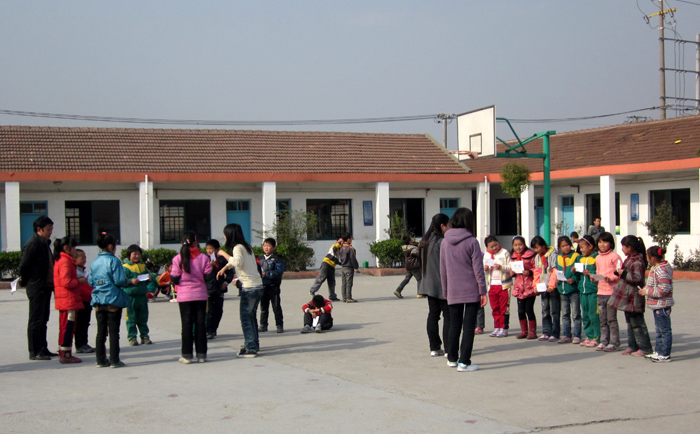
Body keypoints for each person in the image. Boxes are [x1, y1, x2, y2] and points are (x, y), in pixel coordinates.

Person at [440, 208, 487, 372]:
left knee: (454, 325)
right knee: (468, 327)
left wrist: (445, 290)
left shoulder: (445, 242)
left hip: (453, 289)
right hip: (471, 289)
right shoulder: (472, 241)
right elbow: (478, 269)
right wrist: (482, 291)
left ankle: (452, 358)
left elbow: (443, 269)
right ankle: (464, 362)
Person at [217, 223, 264, 358]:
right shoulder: (246, 246)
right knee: (251, 316)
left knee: (246, 318)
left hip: (249, 287)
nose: (224, 237)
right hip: (257, 285)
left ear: (230, 235)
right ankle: (253, 344)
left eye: (225, 234)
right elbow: (238, 262)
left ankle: (250, 348)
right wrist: (225, 268)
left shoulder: (237, 247)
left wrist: (222, 253)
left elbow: (237, 262)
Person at [89, 232, 130, 368]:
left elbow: (90, 281)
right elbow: (119, 280)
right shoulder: (114, 261)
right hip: (113, 299)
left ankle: (100, 360)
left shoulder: (95, 262)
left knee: (101, 332)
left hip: (98, 299)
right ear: (111, 246)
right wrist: (128, 281)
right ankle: (114, 359)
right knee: (113, 332)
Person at [19, 216, 57, 361]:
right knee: (36, 320)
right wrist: (28, 281)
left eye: (51, 229)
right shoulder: (33, 244)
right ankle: (35, 351)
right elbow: (24, 266)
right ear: (39, 229)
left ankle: (43, 348)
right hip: (37, 287)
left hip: (45, 287)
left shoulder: (44, 244)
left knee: (43, 319)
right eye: (48, 229)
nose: (50, 232)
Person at [609, 235, 653, 357]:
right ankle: (632, 346)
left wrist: (624, 273)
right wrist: (619, 272)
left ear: (629, 247)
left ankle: (645, 348)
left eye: (623, 246)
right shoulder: (630, 259)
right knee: (630, 323)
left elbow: (637, 278)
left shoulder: (637, 261)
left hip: (634, 297)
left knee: (638, 324)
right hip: (628, 297)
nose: (622, 249)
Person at [171, 232, 212, 364]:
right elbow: (208, 276)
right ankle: (202, 355)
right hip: (200, 295)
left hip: (184, 296)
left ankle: (187, 355)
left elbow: (174, 279)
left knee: (186, 325)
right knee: (201, 325)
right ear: (195, 242)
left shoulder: (177, 259)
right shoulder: (203, 258)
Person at [418, 213, 451, 357]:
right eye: (448, 225)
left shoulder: (424, 241)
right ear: (442, 226)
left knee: (433, 315)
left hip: (429, 284)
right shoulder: (442, 242)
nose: (449, 228)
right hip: (442, 285)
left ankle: (434, 347)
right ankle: (449, 348)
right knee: (448, 316)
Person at [52, 236, 84, 364]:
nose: (75, 250)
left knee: (65, 326)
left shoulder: (61, 260)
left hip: (65, 299)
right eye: (74, 247)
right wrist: (79, 281)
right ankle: (66, 354)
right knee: (68, 327)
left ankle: (64, 352)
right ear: (66, 248)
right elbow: (66, 282)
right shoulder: (65, 261)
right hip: (68, 300)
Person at [640, 246, 674, 363]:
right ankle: (658, 351)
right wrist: (646, 289)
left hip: (662, 305)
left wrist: (648, 292)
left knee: (664, 330)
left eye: (647, 256)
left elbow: (664, 289)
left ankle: (665, 354)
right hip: (657, 305)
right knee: (659, 330)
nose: (647, 259)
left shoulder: (661, 270)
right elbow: (653, 285)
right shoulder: (656, 268)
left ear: (653, 258)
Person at [547, 236, 581, 344]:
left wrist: (573, 279)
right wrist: (557, 279)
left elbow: (579, 272)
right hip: (562, 289)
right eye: (563, 246)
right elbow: (557, 271)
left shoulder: (576, 256)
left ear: (570, 245)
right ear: (560, 248)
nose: (565, 248)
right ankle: (566, 335)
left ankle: (577, 335)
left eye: (567, 245)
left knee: (576, 314)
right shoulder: (559, 257)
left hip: (573, 289)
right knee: (565, 314)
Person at [122, 244, 157, 346]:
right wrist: (130, 281)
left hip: (142, 296)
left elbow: (147, 279)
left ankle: (144, 336)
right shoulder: (125, 267)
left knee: (143, 317)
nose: (137, 256)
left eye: (139, 254)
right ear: (129, 255)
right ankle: (132, 337)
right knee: (131, 318)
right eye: (134, 254)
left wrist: (149, 279)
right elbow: (122, 281)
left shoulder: (143, 266)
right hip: (131, 297)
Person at [592, 232, 621, 352]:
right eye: (600, 242)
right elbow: (598, 272)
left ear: (611, 243)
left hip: (611, 292)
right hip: (601, 292)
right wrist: (594, 278)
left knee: (611, 319)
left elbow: (619, 273)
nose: (602, 245)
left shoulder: (615, 257)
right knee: (602, 319)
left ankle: (614, 342)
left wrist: (611, 278)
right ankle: (604, 341)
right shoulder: (598, 257)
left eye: (605, 242)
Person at [531, 236, 559, 342]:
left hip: (552, 288)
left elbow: (554, 270)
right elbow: (536, 272)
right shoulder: (537, 257)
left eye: (537, 247)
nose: (536, 250)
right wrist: (535, 286)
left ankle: (555, 333)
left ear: (543, 246)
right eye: (534, 248)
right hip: (543, 288)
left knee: (554, 311)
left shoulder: (553, 254)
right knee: (545, 310)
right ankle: (546, 332)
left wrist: (552, 285)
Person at [205, 239, 234, 339]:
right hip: (208, 289)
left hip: (219, 289)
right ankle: (209, 330)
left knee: (218, 311)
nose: (209, 251)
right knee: (210, 311)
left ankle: (214, 329)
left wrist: (226, 282)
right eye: (207, 248)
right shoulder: (205, 259)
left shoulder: (222, 260)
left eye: (211, 249)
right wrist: (209, 267)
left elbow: (230, 273)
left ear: (217, 249)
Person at [483, 235, 511, 338]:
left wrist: (501, 267)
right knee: (495, 307)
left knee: (504, 307)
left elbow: (510, 267)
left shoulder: (504, 252)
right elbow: (484, 270)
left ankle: (504, 328)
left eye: (496, 245)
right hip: (492, 285)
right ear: (487, 247)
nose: (494, 248)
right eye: (491, 247)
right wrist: (485, 269)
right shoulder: (486, 255)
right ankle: (497, 327)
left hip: (503, 284)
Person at [575, 235, 600, 348]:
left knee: (593, 315)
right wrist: (574, 271)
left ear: (590, 246)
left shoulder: (597, 258)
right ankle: (589, 336)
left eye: (583, 247)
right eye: (580, 248)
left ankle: (596, 336)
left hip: (593, 291)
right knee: (585, 315)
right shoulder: (579, 259)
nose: (581, 250)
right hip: (583, 291)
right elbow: (577, 276)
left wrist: (590, 273)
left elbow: (599, 274)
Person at [510, 236, 538, 340]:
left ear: (524, 244)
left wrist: (529, 272)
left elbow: (536, 268)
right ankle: (524, 331)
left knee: (529, 309)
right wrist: (512, 272)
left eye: (520, 245)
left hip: (529, 286)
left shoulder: (530, 255)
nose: (518, 247)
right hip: (519, 287)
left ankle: (532, 331)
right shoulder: (513, 256)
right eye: (515, 245)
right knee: (520, 310)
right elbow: (512, 270)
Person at [258, 237, 285, 333]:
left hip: (274, 287)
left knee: (276, 307)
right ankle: (263, 325)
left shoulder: (277, 259)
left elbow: (278, 272)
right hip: (263, 286)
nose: (266, 248)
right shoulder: (260, 259)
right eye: (264, 245)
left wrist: (266, 274)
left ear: (273, 247)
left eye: (268, 246)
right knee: (263, 307)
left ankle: (279, 325)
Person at [73, 248, 95, 354]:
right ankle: (80, 344)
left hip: (87, 300)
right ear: (75, 259)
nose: (85, 259)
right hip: (81, 300)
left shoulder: (84, 272)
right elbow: (80, 288)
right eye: (82, 257)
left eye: (85, 257)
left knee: (86, 323)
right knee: (80, 324)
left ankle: (84, 343)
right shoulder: (75, 272)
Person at [338, 232, 359, 303]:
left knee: (344, 283)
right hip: (349, 267)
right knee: (349, 283)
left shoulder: (341, 248)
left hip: (343, 267)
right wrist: (356, 267)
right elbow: (352, 258)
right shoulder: (350, 248)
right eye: (351, 238)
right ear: (348, 239)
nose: (351, 239)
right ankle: (349, 298)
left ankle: (344, 297)